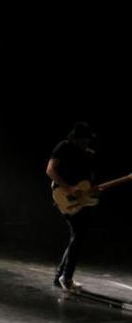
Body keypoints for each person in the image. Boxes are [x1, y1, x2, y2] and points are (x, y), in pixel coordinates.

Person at [46, 122, 97, 291]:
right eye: (83, 140)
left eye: (88, 141)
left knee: (78, 235)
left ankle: (60, 276)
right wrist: (68, 188)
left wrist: (94, 191)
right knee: (78, 234)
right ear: (75, 138)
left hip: (79, 198)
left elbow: (86, 182)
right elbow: (50, 170)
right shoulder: (63, 147)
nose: (86, 143)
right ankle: (66, 277)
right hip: (63, 195)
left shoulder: (88, 155)